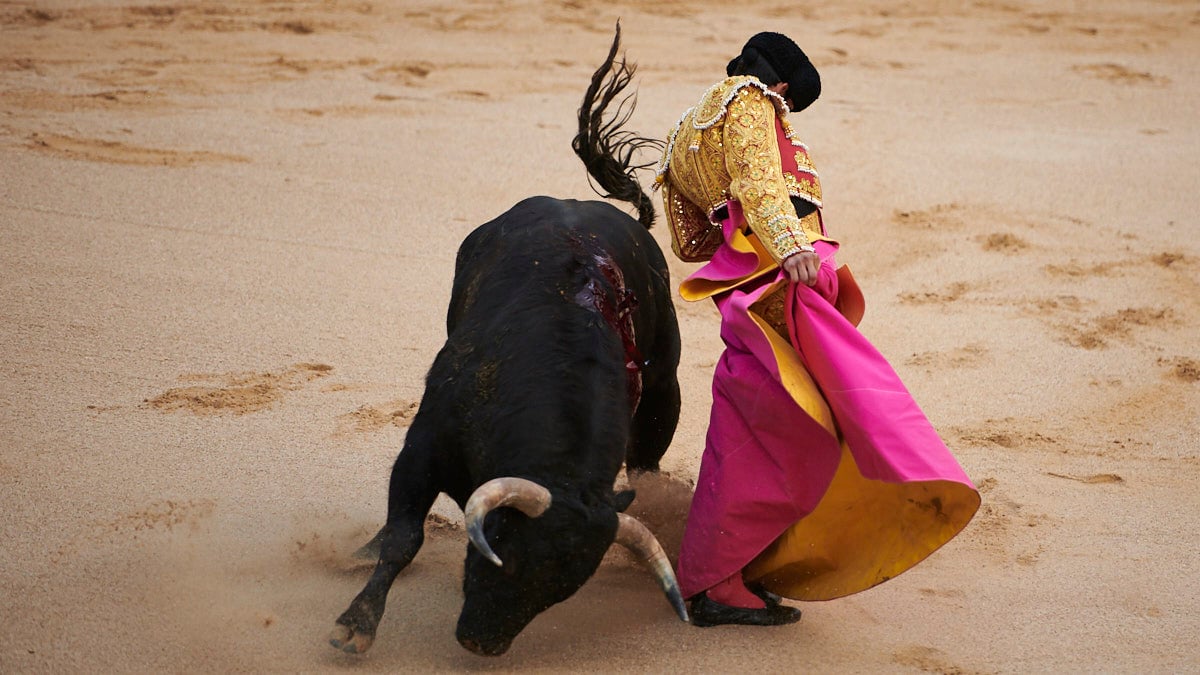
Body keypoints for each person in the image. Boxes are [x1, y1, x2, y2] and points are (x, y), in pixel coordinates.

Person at [655, 32, 980, 628]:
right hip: (782, 276)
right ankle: (723, 581)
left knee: (760, 417)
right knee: (804, 423)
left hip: (747, 276)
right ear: (780, 85)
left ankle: (725, 571)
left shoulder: (690, 124)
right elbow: (759, 183)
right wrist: (789, 248)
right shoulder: (751, 102)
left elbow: (688, 233)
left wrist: (741, 239)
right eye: (788, 104)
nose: (785, 114)